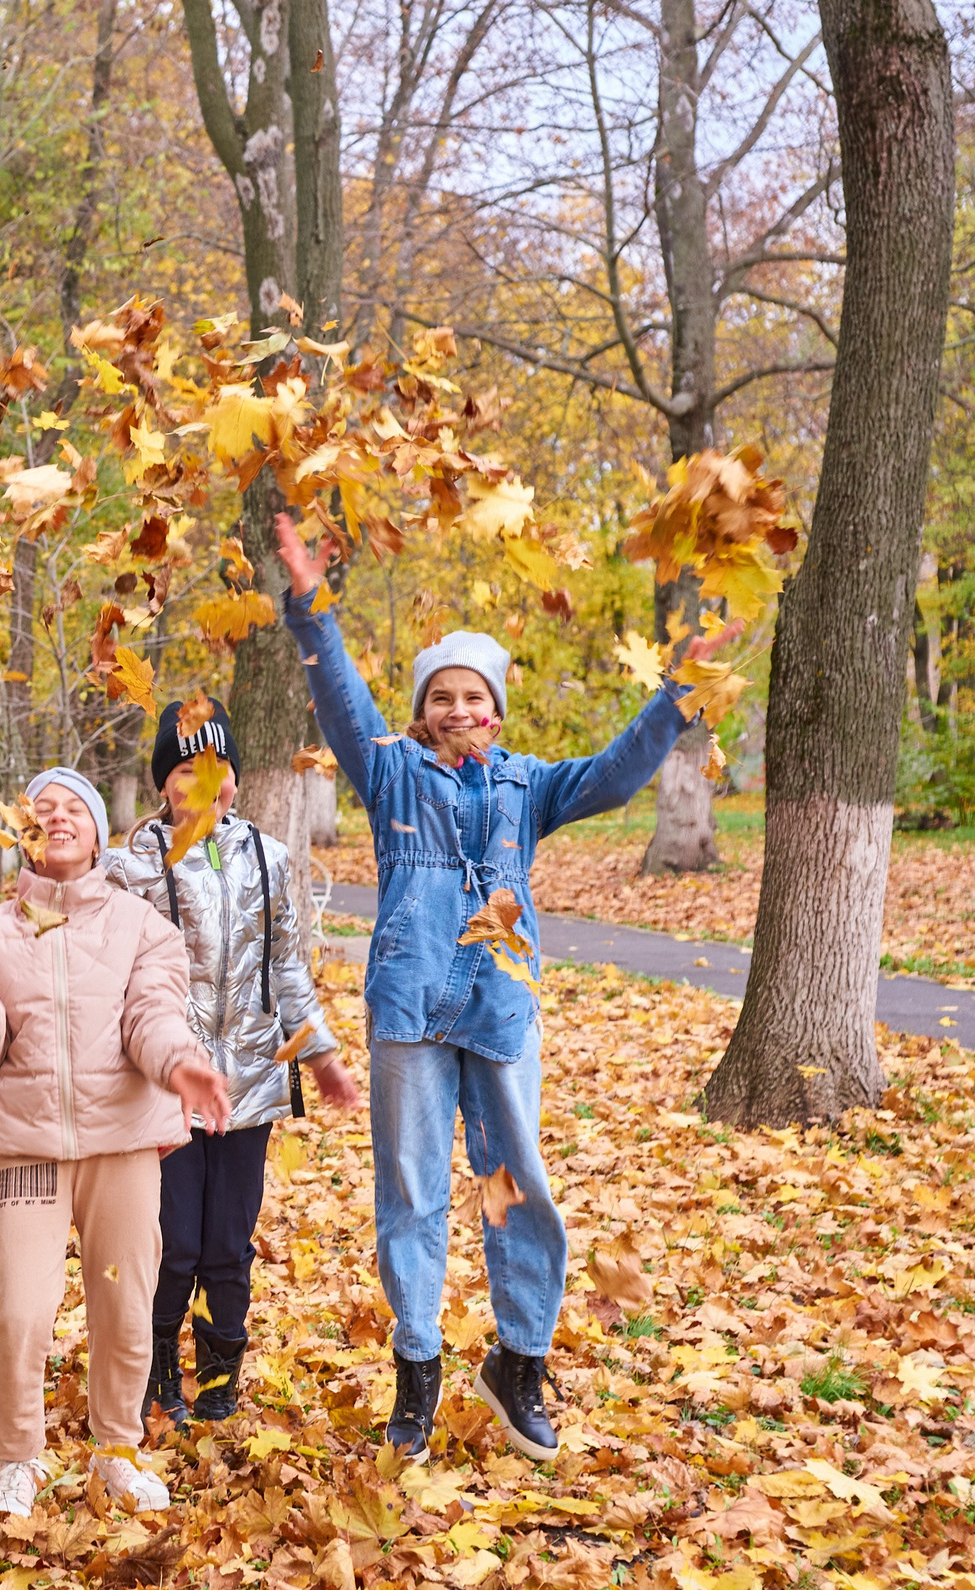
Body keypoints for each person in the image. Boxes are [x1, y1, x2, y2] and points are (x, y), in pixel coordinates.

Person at [274, 513, 737, 1463]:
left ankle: (518, 1364)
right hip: (408, 1011)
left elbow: (613, 776)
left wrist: (677, 691)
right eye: (438, 696)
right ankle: (416, 1374)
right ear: (420, 712)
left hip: (499, 1012)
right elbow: (345, 704)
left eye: (471, 695)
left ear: (496, 709)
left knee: (517, 1186)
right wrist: (314, 612)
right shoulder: (391, 771)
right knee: (410, 1192)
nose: (455, 708)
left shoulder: (529, 786)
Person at [0, 768, 233, 1524]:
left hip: (124, 1144)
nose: (58, 818)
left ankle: (118, 1450)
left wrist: (181, 1062)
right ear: (24, 834)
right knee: (21, 1311)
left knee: (126, 1307)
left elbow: (154, 1020)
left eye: (75, 809)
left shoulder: (144, 928)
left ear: (100, 834)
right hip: (29, 1147)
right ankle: (18, 1457)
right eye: (43, 810)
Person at [107, 704, 361, 1427]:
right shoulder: (132, 865)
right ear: (164, 782)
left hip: (250, 1080)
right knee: (172, 1238)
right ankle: (156, 1374)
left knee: (227, 1242)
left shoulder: (270, 859)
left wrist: (321, 1055)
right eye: (187, 768)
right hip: (165, 1082)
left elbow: (289, 972)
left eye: (218, 767)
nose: (205, 781)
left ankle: (220, 1377)